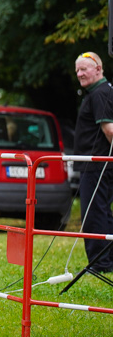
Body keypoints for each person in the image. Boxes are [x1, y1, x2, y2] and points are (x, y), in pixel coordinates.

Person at [73, 52, 113, 272]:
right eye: (77, 70)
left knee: (93, 214)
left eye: (84, 69)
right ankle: (107, 260)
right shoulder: (100, 92)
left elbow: (109, 130)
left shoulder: (99, 93)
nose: (80, 74)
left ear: (98, 68)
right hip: (97, 164)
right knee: (102, 211)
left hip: (97, 165)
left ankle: (101, 263)